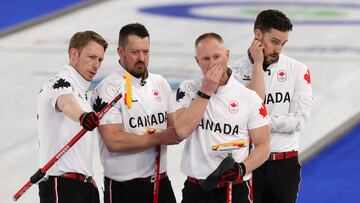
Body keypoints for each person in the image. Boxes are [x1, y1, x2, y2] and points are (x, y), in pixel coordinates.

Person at [174, 32, 270, 203]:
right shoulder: (188, 89)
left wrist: (242, 168)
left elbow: (264, 146)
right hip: (195, 189)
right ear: (197, 61)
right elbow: (181, 131)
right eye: (205, 59)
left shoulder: (248, 97)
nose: (212, 64)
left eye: (217, 56)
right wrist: (206, 91)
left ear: (227, 55)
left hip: (233, 189)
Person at [91, 23, 179, 203]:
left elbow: (174, 130)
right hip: (124, 188)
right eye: (135, 52)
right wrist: (157, 138)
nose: (141, 58)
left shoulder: (160, 83)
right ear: (120, 52)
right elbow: (114, 141)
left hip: (161, 184)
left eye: (146, 52)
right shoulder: (107, 89)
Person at [232, 9, 313, 203]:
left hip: (285, 166)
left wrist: (259, 123)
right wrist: (257, 65)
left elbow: (299, 120)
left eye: (282, 44)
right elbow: (236, 120)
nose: (278, 50)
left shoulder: (298, 70)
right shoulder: (233, 74)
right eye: (274, 42)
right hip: (249, 165)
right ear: (258, 35)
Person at [37, 31, 108, 203]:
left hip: (85, 187)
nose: (96, 65)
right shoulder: (59, 83)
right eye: (91, 57)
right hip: (62, 187)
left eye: (100, 59)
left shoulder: (84, 92)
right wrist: (83, 116)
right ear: (74, 54)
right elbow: (66, 103)